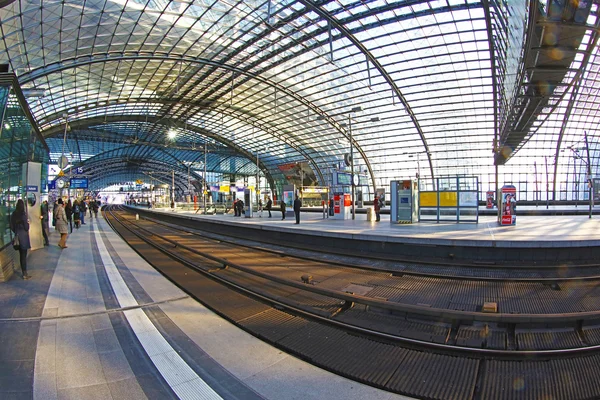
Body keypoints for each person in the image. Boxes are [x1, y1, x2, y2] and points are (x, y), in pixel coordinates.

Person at [10, 199, 31, 279]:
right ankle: (24, 273)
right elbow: (26, 227)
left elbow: (11, 226)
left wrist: (16, 231)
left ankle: (24, 273)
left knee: (20, 255)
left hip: (17, 237)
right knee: (23, 256)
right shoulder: (23, 215)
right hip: (24, 238)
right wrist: (27, 224)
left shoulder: (13, 214)